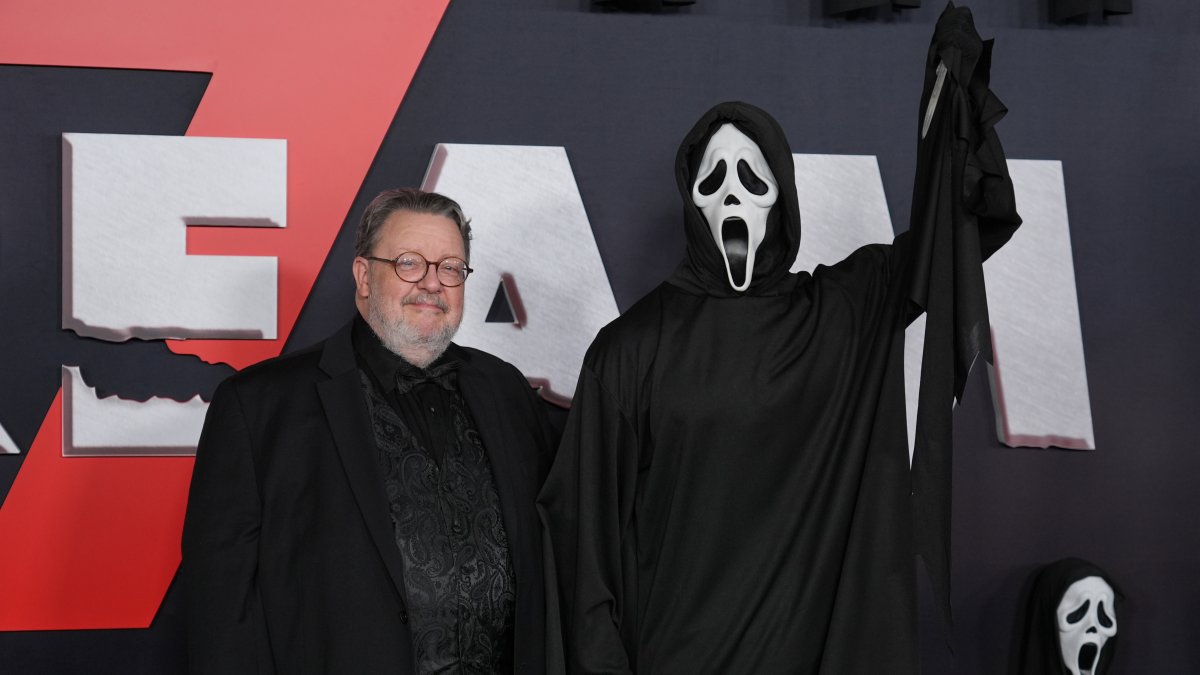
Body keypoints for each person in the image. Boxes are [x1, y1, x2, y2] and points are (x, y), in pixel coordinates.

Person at [537, 6, 1021, 674]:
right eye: (714, 178)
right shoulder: (630, 349)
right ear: (692, 199)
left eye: (751, 176)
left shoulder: (842, 309)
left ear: (780, 198)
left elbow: (964, 230)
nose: (733, 195)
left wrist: (950, 107)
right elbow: (582, 542)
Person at [182, 188, 556, 674]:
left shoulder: (506, 390)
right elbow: (220, 612)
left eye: (450, 267)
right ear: (363, 276)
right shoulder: (259, 407)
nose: (432, 283)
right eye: (408, 263)